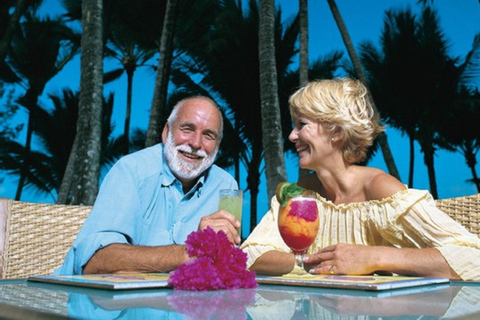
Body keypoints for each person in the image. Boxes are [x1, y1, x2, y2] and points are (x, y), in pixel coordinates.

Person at [241, 77, 480, 281]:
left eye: (302, 125)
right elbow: (251, 255)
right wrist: (308, 261)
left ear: (336, 131)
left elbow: (472, 257)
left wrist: (372, 257)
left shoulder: (380, 190)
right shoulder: (299, 195)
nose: (292, 136)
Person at [54, 96, 240, 275]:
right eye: (187, 129)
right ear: (166, 132)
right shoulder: (130, 171)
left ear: (217, 145)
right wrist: (189, 252)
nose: (195, 143)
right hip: (76, 301)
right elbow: (94, 262)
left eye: (208, 135)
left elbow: (229, 265)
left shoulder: (226, 187)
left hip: (174, 303)